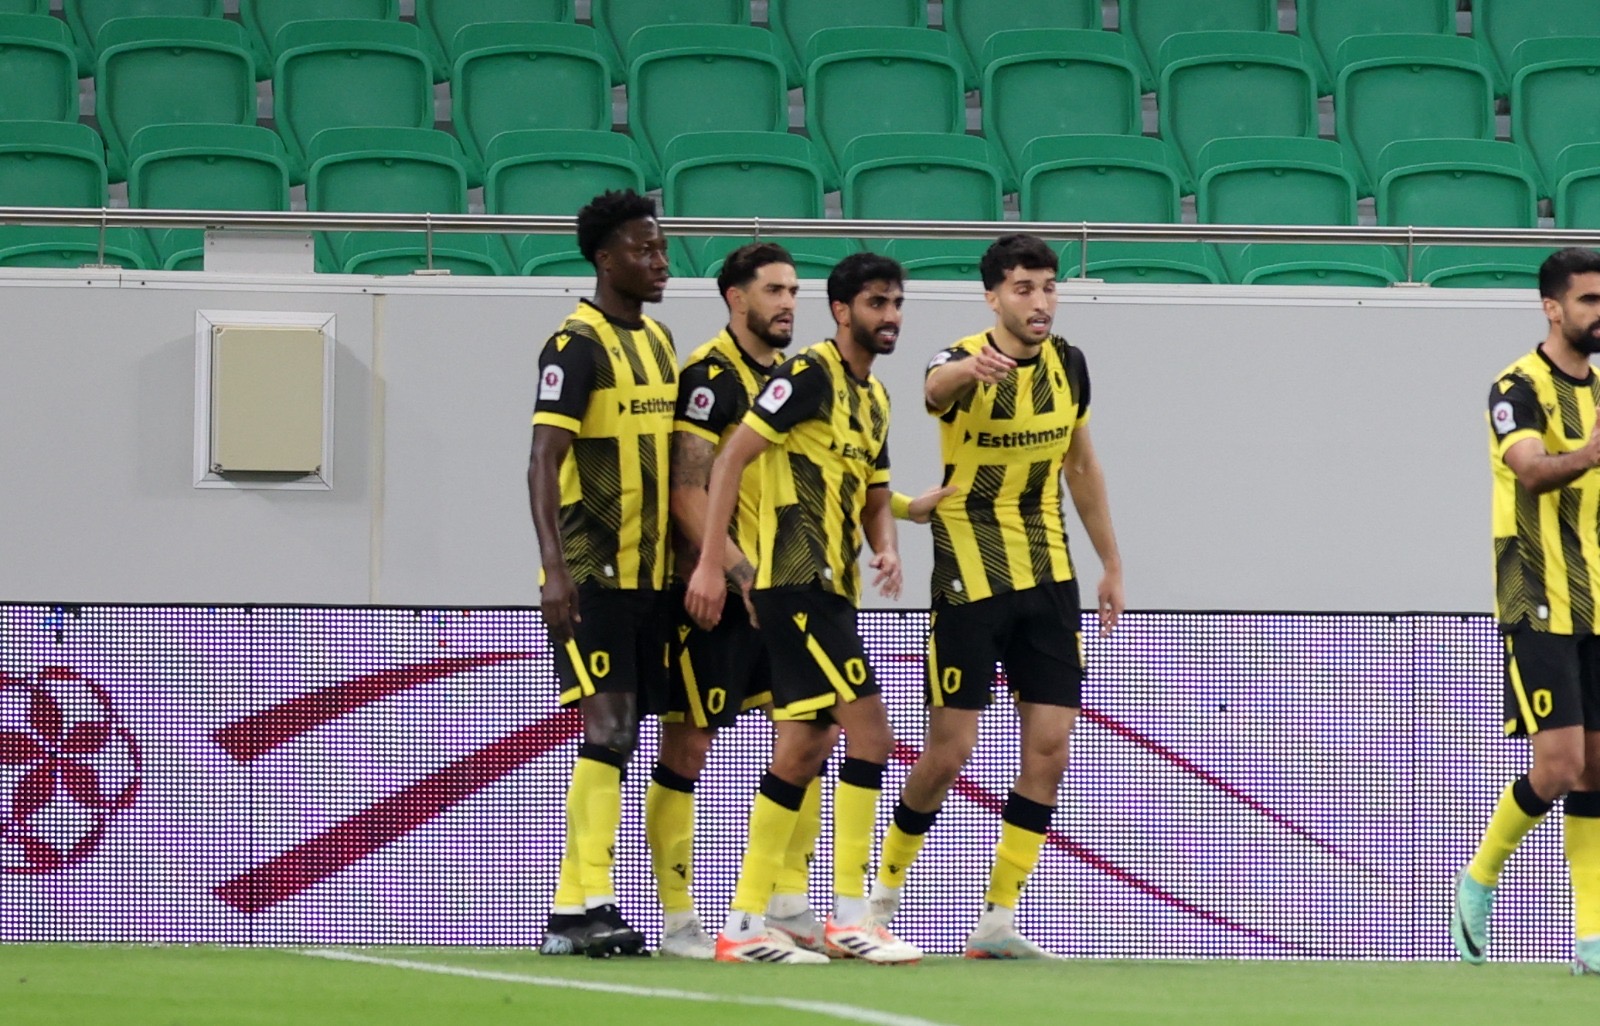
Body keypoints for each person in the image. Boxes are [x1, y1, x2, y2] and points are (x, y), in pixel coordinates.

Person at [867, 233, 1125, 959]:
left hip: (1049, 576)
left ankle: (997, 921)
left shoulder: (1070, 364)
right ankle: (878, 899)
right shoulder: (959, 359)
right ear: (992, 297)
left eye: (1048, 287)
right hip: (969, 576)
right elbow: (933, 389)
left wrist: (1111, 563)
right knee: (950, 752)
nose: (1039, 301)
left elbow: (1081, 466)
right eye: (1023, 288)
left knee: (1050, 749)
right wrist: (967, 371)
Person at [684, 252, 942, 965]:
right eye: (877, 303)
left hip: (833, 592)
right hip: (794, 587)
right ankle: (850, 916)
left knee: (803, 748)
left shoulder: (876, 396)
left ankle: (743, 925)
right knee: (873, 735)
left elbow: (875, 494)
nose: (890, 316)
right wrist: (711, 562)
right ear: (841, 311)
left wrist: (886, 548)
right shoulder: (807, 376)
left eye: (897, 303)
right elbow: (730, 458)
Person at [646, 242, 837, 959]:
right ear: (736, 298)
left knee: (808, 734)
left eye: (794, 290)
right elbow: (685, 490)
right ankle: (679, 920)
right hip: (719, 592)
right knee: (689, 744)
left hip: (785, 590)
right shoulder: (710, 375)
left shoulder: (797, 376)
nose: (788, 303)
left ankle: (787, 905)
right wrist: (732, 570)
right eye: (774, 290)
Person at [528, 190, 677, 958]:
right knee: (610, 730)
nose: (660, 261)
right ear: (604, 258)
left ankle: (569, 913)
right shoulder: (574, 346)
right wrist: (556, 571)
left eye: (661, 247)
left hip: (654, 576)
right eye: (644, 250)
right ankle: (595, 902)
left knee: (623, 734)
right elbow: (542, 460)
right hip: (594, 572)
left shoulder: (661, 342)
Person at [1455, 246, 1600, 974]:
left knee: (1597, 769)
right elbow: (1532, 471)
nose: (1599, 314)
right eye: (1588, 301)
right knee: (1561, 765)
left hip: (1596, 600)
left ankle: (1592, 940)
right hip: (1534, 595)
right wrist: (1592, 454)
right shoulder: (1516, 386)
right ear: (1552, 307)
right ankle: (1479, 878)